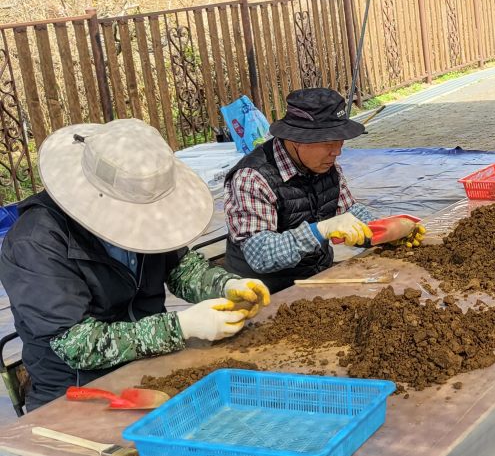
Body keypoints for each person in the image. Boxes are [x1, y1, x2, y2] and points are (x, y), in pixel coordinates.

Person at [0, 119, 270, 410]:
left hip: (152, 367)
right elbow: (78, 345)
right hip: (81, 391)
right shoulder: (35, 244)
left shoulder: (146, 211)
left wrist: (226, 285)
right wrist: (181, 326)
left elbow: (182, 267)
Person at [224, 88, 423, 292]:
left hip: (318, 279)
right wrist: (320, 230)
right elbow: (261, 255)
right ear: (297, 139)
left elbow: (348, 212)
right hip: (265, 293)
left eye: (340, 142)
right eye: (328, 143)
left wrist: (384, 228)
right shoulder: (252, 178)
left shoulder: (326, 166)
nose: (337, 151)